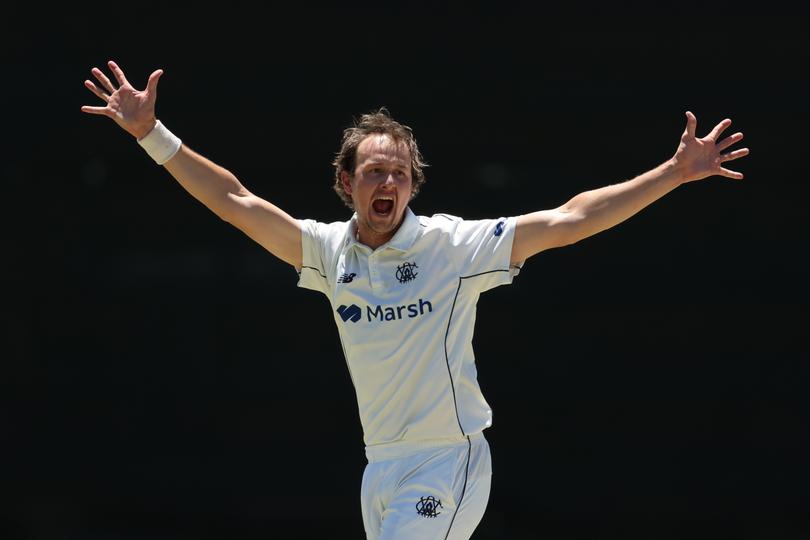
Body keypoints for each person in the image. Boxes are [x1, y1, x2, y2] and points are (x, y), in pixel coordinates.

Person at [81, 60, 749, 540]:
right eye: (375, 169)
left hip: (447, 460)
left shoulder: (452, 249)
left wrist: (674, 173)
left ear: (413, 185)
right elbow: (234, 201)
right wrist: (151, 134)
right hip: (382, 469)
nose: (390, 180)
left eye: (401, 172)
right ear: (347, 182)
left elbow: (571, 220)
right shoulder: (326, 252)